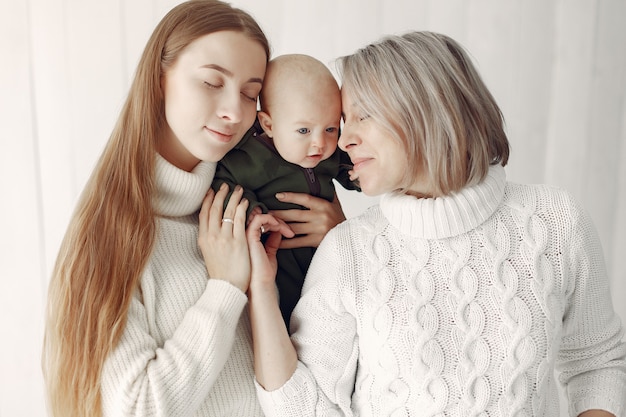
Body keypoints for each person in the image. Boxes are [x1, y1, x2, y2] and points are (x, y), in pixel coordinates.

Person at [245, 31, 626, 416]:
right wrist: (260, 287)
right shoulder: (347, 249)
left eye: (362, 116)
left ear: (426, 111)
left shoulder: (556, 221)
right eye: (344, 121)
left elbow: (596, 362)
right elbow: (303, 407)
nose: (344, 141)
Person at [41, 1, 344, 416]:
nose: (234, 111)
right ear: (160, 79)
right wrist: (224, 288)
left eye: (250, 93)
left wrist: (343, 242)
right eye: (210, 82)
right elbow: (135, 407)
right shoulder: (108, 236)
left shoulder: (263, 208)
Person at [212, 53, 359, 326]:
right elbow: (222, 179)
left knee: (335, 307)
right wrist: (255, 212)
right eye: (304, 131)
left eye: (330, 128)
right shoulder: (251, 156)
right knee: (287, 308)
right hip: (279, 255)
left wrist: (359, 174)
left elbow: (350, 169)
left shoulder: (331, 154)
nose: (319, 144)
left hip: (325, 257)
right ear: (269, 125)